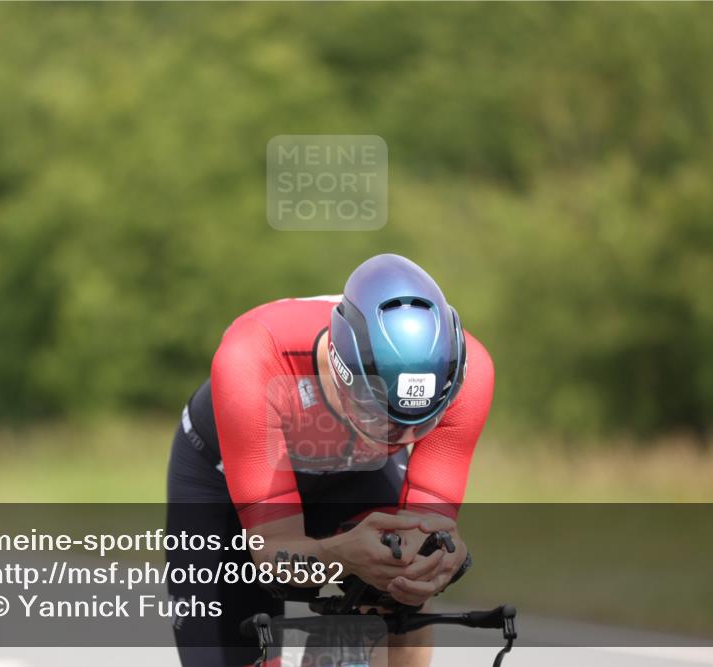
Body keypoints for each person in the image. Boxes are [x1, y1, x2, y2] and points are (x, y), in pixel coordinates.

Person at [166, 254, 494, 667]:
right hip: (222, 479)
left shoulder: (471, 373)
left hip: (358, 471)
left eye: (413, 429)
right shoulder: (253, 359)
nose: (394, 438)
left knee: (403, 588)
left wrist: (437, 557)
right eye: (378, 418)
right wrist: (341, 556)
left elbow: (428, 526)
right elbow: (274, 554)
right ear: (341, 371)